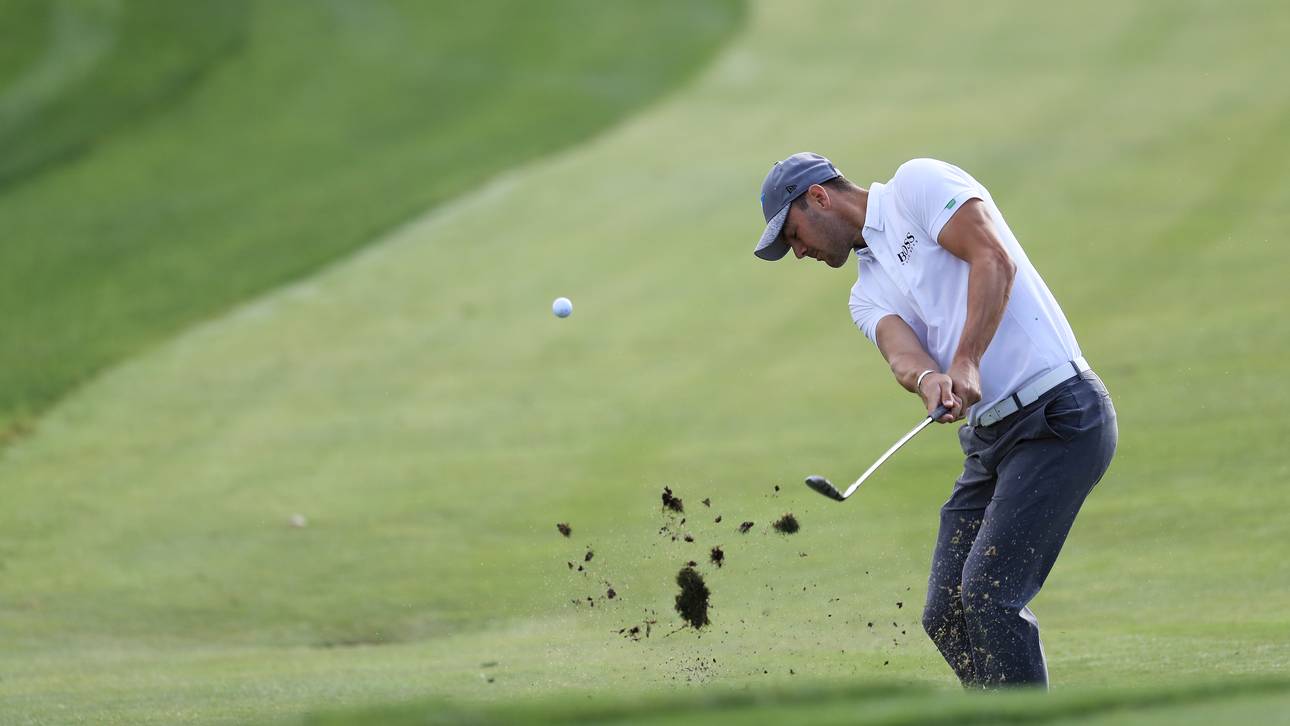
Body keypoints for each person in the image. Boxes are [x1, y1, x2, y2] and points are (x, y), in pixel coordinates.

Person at [752, 152, 1118, 688]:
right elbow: (902, 354)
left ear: (819, 197)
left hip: (1059, 415)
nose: (798, 251)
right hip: (991, 439)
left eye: (793, 235)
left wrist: (966, 359)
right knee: (946, 613)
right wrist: (930, 381)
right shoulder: (865, 293)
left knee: (990, 595)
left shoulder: (915, 186)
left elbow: (993, 257)